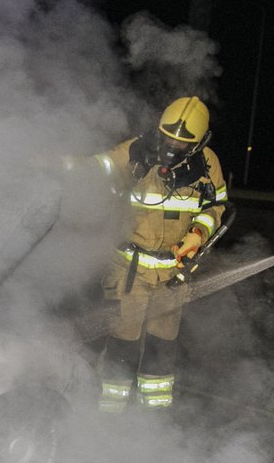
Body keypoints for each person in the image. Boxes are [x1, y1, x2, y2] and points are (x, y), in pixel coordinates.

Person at [87, 96, 228, 413]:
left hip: (174, 273)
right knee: (123, 340)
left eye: (182, 142)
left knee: (162, 346)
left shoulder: (208, 163)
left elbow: (215, 206)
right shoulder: (135, 150)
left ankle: (154, 415)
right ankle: (110, 412)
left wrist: (198, 233)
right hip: (128, 268)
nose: (171, 145)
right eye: (167, 136)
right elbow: (98, 167)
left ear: (199, 142)